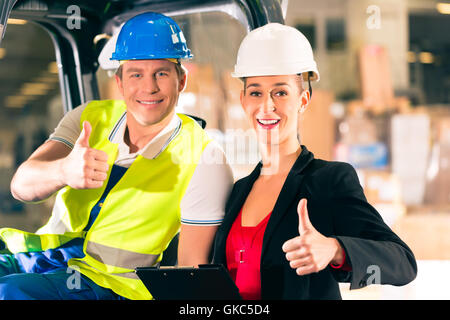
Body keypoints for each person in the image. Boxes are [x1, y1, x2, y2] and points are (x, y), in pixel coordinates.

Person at [0, 12, 233, 300]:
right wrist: (63, 171)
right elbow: (20, 187)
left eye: (161, 73)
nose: (149, 87)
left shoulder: (204, 157)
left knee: (8, 292)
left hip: (111, 286)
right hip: (45, 260)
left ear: (181, 80)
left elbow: (190, 272)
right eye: (137, 74)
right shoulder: (89, 117)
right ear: (120, 81)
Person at [212, 23, 417, 300]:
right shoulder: (239, 191)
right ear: (242, 100)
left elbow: (403, 265)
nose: (267, 106)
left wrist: (335, 250)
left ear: (303, 100)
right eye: (256, 92)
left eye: (281, 92)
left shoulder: (328, 181)